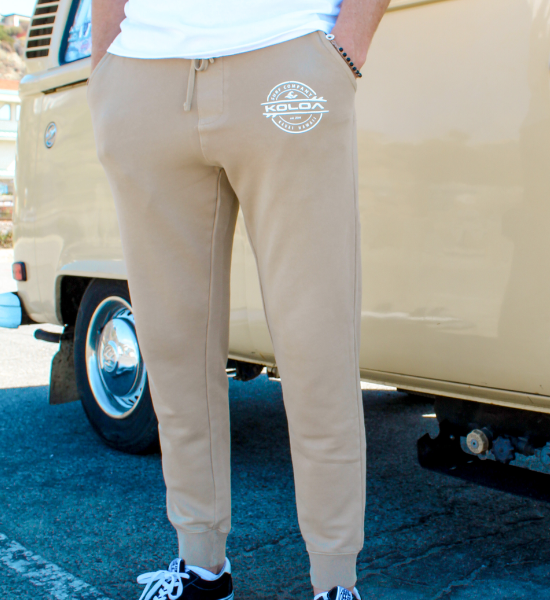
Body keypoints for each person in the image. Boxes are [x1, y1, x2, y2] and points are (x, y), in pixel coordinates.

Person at [87, 1, 388, 598]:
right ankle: (200, 565)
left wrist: (342, 54)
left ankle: (334, 581)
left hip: (286, 62)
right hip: (144, 74)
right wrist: (105, 72)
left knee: (316, 342)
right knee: (173, 348)